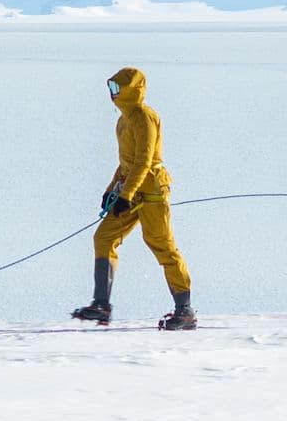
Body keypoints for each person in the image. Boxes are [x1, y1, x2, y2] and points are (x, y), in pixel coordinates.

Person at [72, 67, 196, 330]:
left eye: (117, 88)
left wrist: (125, 195)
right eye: (110, 88)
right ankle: (101, 305)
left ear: (132, 90)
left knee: (162, 245)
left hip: (152, 194)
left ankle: (185, 310)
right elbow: (126, 163)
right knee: (103, 238)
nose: (112, 94)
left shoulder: (145, 118)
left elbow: (143, 161)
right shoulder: (123, 121)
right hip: (130, 192)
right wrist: (112, 190)